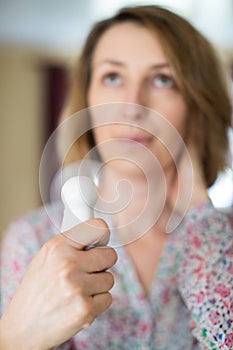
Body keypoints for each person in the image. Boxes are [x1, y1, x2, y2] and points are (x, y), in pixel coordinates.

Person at [0, 5, 233, 349]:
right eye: (112, 77)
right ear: (87, 101)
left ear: (196, 105)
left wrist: (201, 212)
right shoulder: (32, 239)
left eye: (162, 79)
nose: (132, 105)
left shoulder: (224, 240)